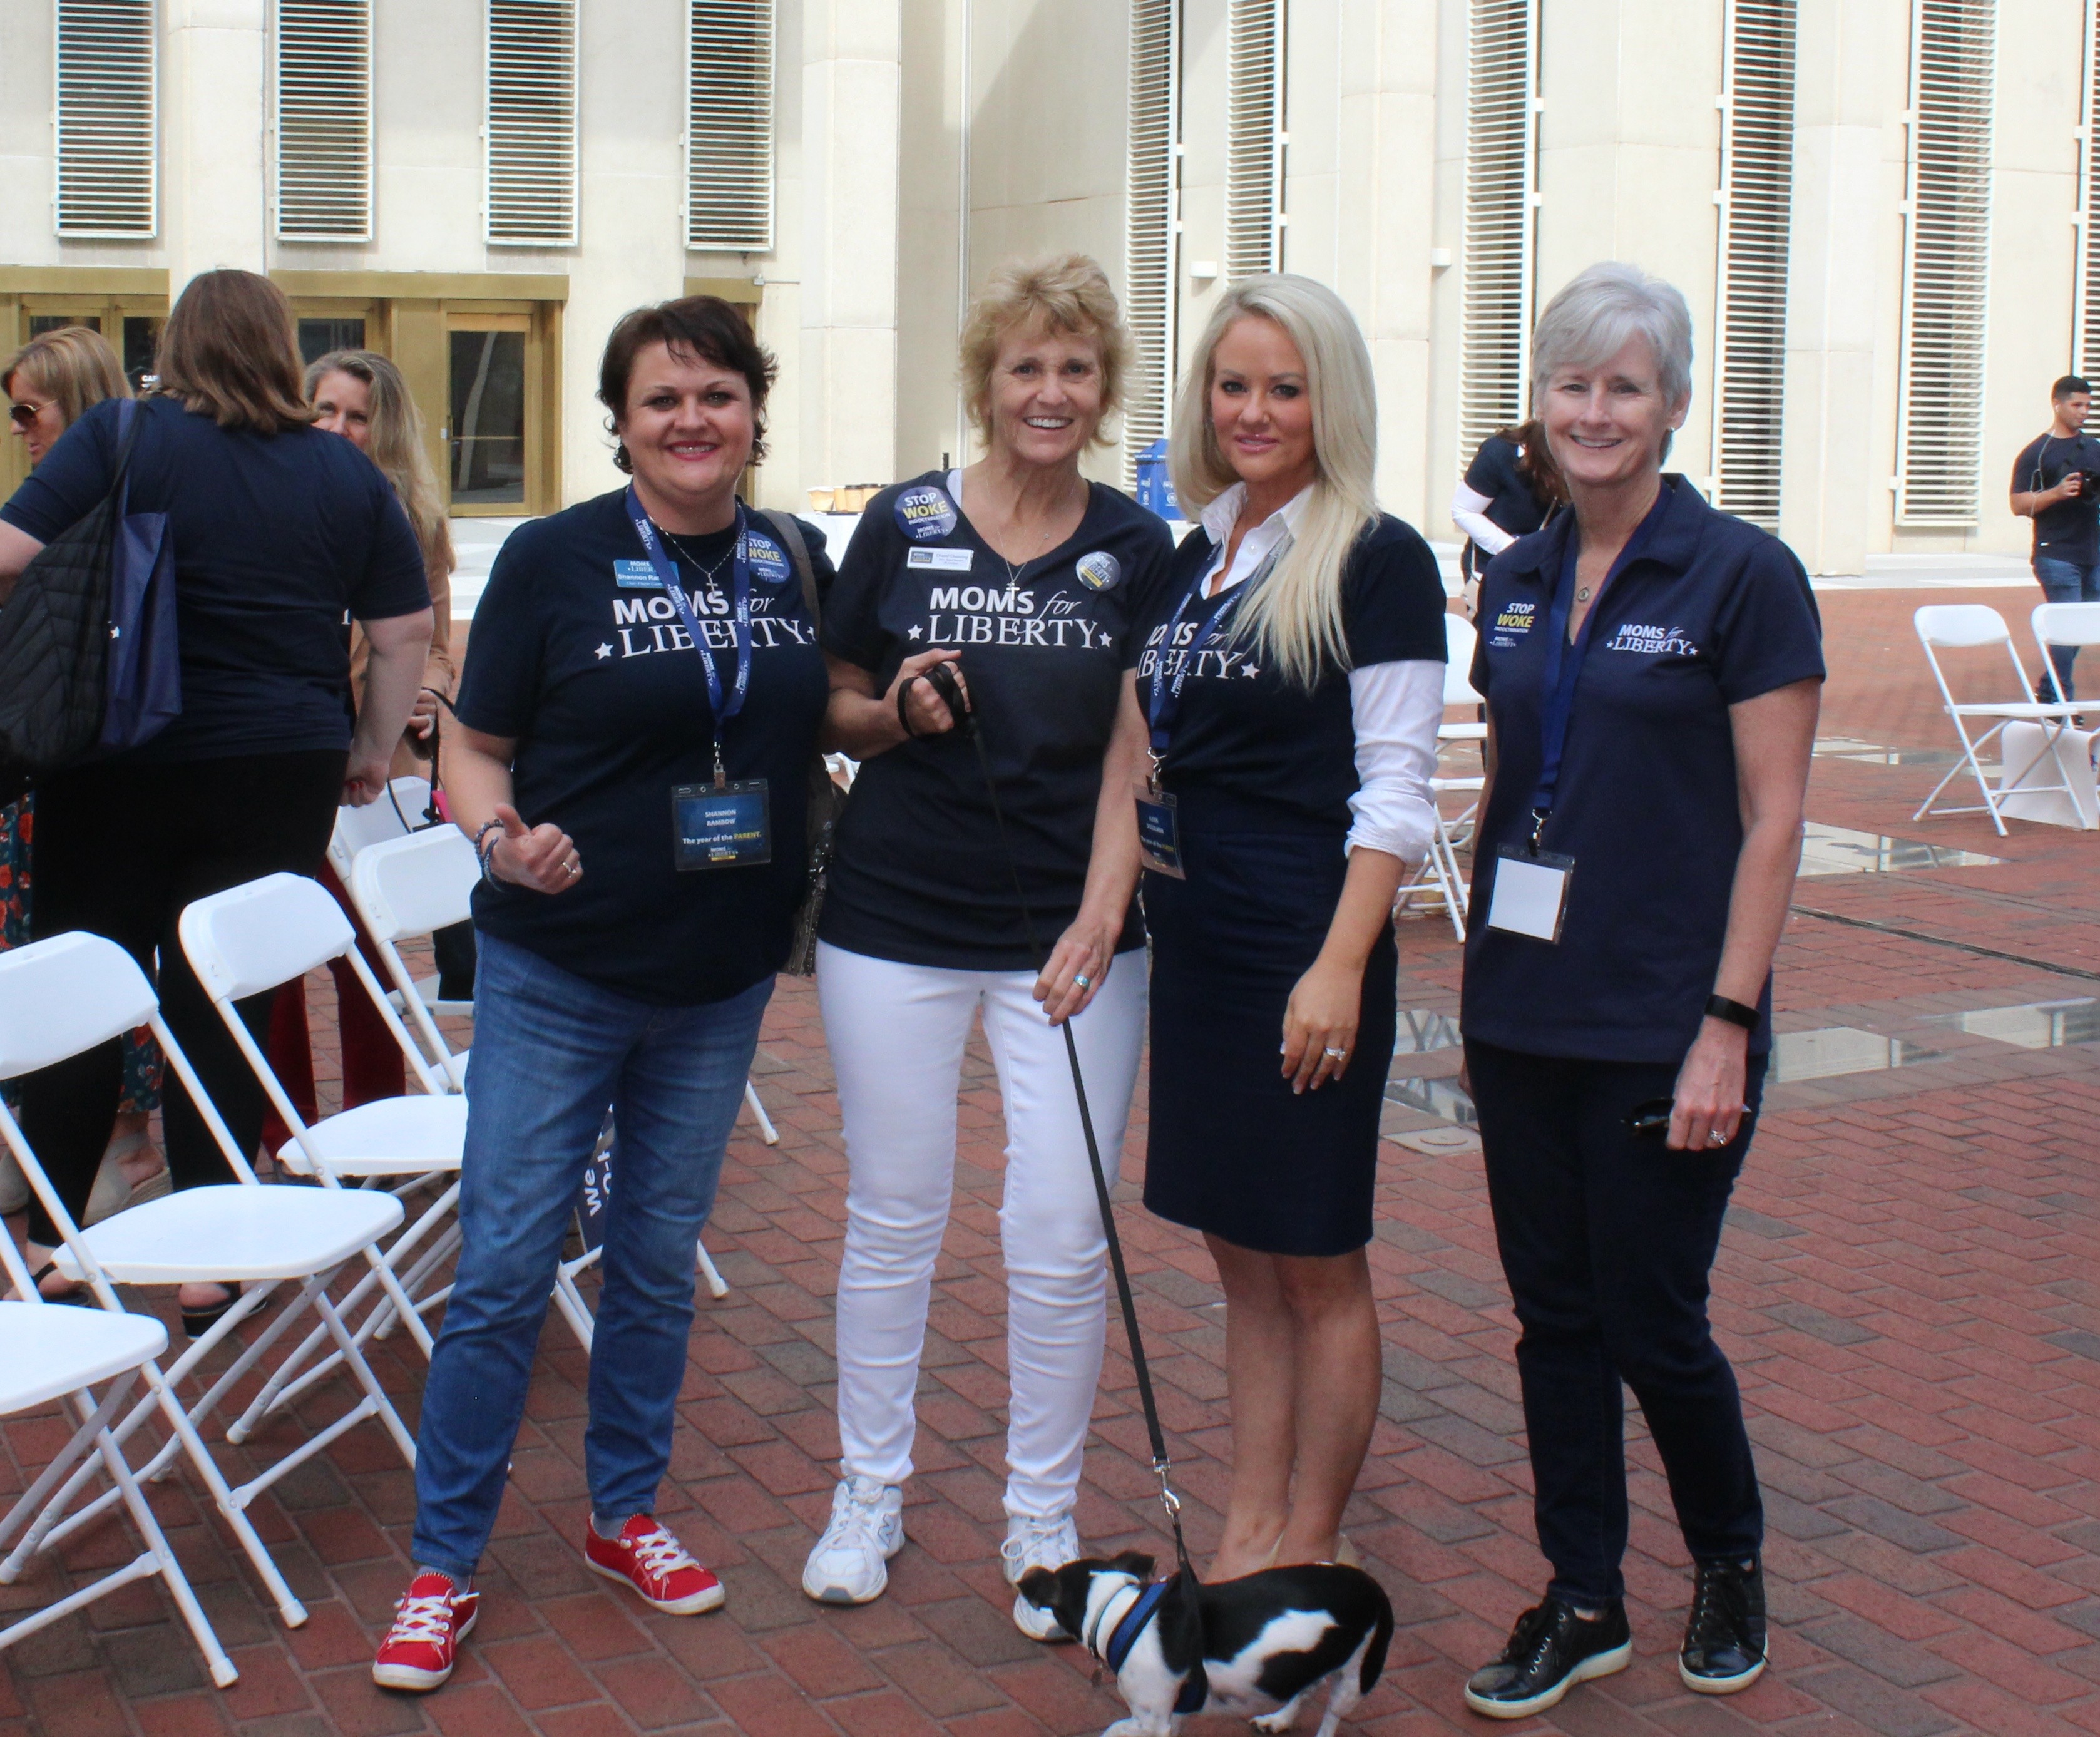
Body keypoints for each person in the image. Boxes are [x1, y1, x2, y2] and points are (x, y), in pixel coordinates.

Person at [371, 296, 834, 1694]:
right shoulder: (554, 559)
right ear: (622, 425)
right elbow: (473, 749)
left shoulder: (790, 558)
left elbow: (821, 712)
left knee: (654, 1258)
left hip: (718, 979)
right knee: (507, 1265)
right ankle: (441, 1564)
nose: (692, 419)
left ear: (753, 411)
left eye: (717, 393)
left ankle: (624, 1511)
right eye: (661, 400)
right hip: (559, 968)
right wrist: (500, 837)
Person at [1457, 263, 1822, 1719]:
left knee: (1653, 1315)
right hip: (1521, 1011)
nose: (1595, 411)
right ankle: (1583, 1594)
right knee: (1552, 1318)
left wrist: (1725, 1027)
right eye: (1572, 383)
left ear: (1672, 403)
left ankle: (1728, 1561)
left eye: (1624, 385)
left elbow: (1775, 818)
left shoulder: (1742, 574)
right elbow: (1511, 778)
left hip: (1669, 1019)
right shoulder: (1518, 576)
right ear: (1540, 404)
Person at [801, 255, 1172, 1636]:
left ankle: (1043, 1516)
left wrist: (1101, 913)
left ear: (1104, 388)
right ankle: (869, 1490)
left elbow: (1137, 753)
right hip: (895, 919)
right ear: (986, 382)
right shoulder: (901, 522)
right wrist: (892, 713)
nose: (1049, 391)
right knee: (895, 1213)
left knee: (1064, 1228)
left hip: (1070, 937)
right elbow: (832, 700)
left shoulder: (1137, 547)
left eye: (1075, 368)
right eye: (1026, 366)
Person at [0, 272, 432, 1321]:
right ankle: (211, 1249)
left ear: (176, 345)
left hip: (117, 758)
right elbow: (404, 632)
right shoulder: (342, 470)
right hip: (280, 766)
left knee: (85, 985)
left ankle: (56, 1240)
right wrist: (370, 749)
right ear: (284, 346)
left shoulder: (123, 436)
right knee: (226, 999)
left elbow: (9, 555)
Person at [1124, 275, 1445, 1579]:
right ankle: (1247, 1527)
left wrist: (1339, 967)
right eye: (1234, 385)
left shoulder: (1378, 558)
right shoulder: (1196, 554)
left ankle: (1311, 1545)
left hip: (1303, 948)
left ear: (1332, 400)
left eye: (1286, 388)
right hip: (1199, 951)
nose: (1254, 411)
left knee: (1314, 1258)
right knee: (1239, 1259)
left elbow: (1398, 793)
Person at [263, 351, 462, 1129]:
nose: (339, 428)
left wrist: (428, 693)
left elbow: (436, 644)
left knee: (369, 953)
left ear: (387, 429)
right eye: (325, 410)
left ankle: (379, 1121)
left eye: (358, 416)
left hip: (373, 774)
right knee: (278, 952)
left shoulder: (416, 522)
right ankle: (285, 1129)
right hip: (286, 756)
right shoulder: (270, 501)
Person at [0, 327, 170, 1227]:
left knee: (99, 954)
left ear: (75, 402)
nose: (20, 427)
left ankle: (122, 1138)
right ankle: (41, 1140)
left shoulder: (119, 489)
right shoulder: (50, 498)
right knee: (39, 952)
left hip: (100, 758)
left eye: (31, 410)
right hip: (44, 759)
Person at [2009, 374, 2100, 702]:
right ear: (2057, 404)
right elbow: (2018, 504)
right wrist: (2057, 493)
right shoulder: (2037, 452)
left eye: (2088, 406)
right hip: (2056, 553)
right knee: (2066, 625)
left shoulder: (2094, 448)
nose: (2084, 412)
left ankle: (2050, 689)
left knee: (2083, 626)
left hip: (2093, 552)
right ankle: (2060, 700)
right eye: (2077, 405)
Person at [1452, 420, 1566, 615]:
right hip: (1494, 564)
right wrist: (1515, 550)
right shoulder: (1500, 452)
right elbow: (1463, 510)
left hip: (1549, 567)